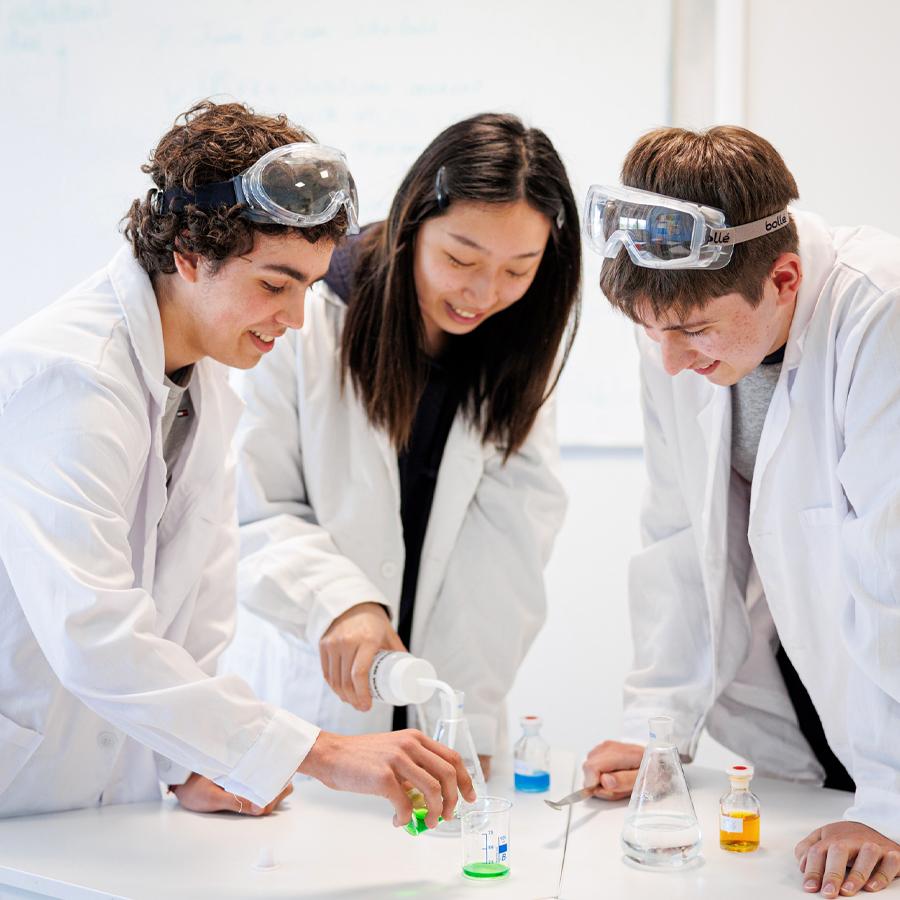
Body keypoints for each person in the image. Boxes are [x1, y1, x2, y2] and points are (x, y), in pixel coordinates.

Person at [0, 100, 473, 829]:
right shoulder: (69, 380)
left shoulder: (202, 378)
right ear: (189, 253)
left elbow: (193, 614)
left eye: (310, 288)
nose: (295, 318)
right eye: (274, 284)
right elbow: (93, 635)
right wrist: (319, 752)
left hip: (104, 801)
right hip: (21, 792)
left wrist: (189, 760)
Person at [581, 126, 900, 897]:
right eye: (650, 333)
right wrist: (656, 729)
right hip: (799, 696)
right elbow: (680, 531)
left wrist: (892, 801)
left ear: (784, 278)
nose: (669, 360)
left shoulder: (882, 315)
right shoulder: (677, 319)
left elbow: (893, 575)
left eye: (690, 331)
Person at [219, 113, 581, 778]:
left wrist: (461, 724)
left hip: (442, 712)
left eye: (517, 270)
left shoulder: (518, 355)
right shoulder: (305, 317)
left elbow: (509, 557)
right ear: (414, 221)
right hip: (310, 702)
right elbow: (253, 507)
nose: (482, 294)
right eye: (460, 259)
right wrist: (339, 603)